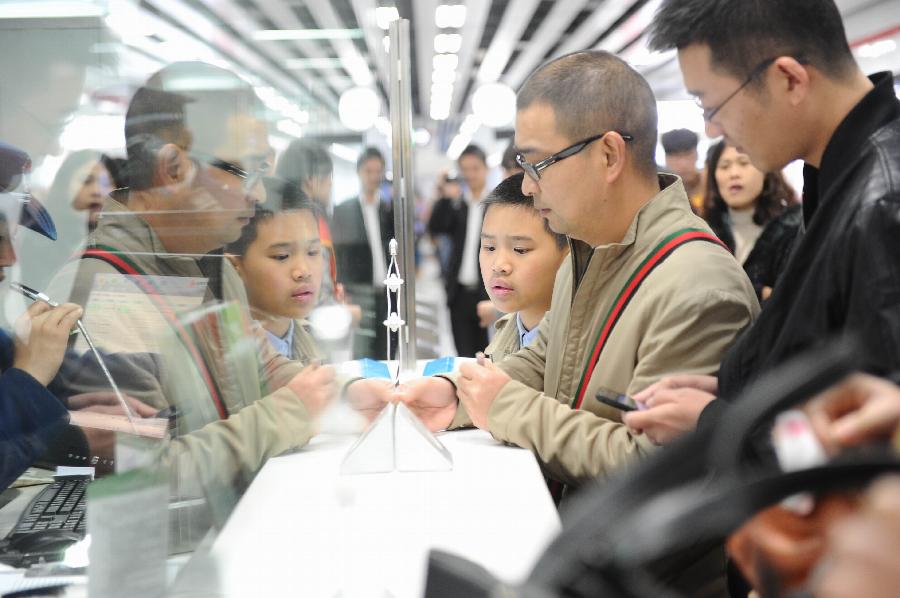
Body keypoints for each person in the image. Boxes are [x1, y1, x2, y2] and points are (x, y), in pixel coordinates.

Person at [399, 50, 757, 495]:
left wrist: (506, 407)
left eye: (537, 164)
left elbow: (654, 467)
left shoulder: (697, 287)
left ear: (608, 155)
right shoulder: (587, 252)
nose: (527, 186)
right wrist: (454, 394)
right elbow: (545, 360)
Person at [47, 62, 341, 494]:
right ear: (173, 167)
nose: (258, 194)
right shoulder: (106, 292)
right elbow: (140, 476)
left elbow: (260, 369)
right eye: (248, 171)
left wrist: (352, 394)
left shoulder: (210, 264)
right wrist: (290, 414)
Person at [627, 0, 900, 446]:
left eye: (711, 105)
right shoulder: (840, 179)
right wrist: (744, 393)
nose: (712, 132)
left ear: (788, 79)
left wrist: (718, 423)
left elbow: (873, 457)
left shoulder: (884, 204)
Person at [227, 178, 323, 363]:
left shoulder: (317, 341)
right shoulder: (225, 357)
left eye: (313, 252)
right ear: (235, 266)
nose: (303, 271)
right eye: (282, 256)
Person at [478, 172, 568, 363]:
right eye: (489, 247)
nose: (499, 265)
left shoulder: (577, 344)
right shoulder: (508, 329)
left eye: (520, 249)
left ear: (567, 254)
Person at [702, 140, 801, 301]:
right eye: (724, 166)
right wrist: (760, 292)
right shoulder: (705, 229)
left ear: (766, 170)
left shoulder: (794, 226)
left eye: (744, 163)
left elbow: (793, 297)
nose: (734, 173)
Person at [428, 144, 492, 357]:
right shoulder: (457, 206)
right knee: (463, 357)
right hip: (459, 294)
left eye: (475, 168)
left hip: (488, 293)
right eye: (465, 169)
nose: (470, 174)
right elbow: (435, 228)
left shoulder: (496, 205)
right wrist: (443, 195)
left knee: (488, 355)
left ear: (486, 169)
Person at [332, 147, 395, 359]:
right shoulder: (343, 211)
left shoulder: (390, 209)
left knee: (388, 350)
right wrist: (343, 292)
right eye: (369, 171)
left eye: (378, 171)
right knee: (362, 353)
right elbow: (339, 254)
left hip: (388, 293)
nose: (374, 177)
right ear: (359, 172)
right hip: (359, 292)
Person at [661, 128, 704, 214]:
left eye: (688, 155)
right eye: (676, 157)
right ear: (666, 159)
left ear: (697, 154)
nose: (683, 164)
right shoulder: (661, 191)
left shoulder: (711, 183)